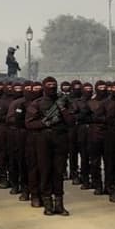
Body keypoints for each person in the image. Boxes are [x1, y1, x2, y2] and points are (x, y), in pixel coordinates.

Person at [26, 77, 74, 216]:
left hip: (60, 138)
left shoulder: (64, 102)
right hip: (43, 139)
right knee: (45, 171)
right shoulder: (37, 103)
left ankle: (59, 204)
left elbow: (71, 121)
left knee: (59, 172)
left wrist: (62, 109)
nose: (52, 87)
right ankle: (47, 203)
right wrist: (44, 123)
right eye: (49, 84)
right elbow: (29, 123)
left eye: (54, 84)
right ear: (44, 86)